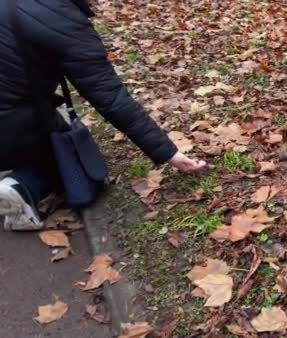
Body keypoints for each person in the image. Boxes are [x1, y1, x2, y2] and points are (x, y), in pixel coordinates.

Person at [0, 0, 206, 231]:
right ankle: (25, 184)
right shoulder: (60, 18)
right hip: (11, 128)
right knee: (70, 161)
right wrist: (168, 152)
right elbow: (110, 97)